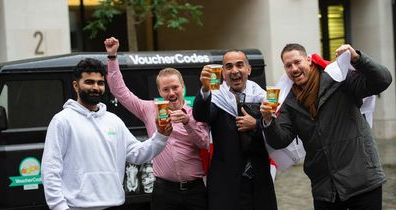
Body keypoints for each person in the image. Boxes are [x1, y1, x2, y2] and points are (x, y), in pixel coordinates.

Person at [260, 43, 392, 210]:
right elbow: (281, 140)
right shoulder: (288, 101)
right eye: (288, 65)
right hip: (325, 189)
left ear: (308, 60)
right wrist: (268, 121)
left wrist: (358, 58)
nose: (294, 68)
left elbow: (383, 80)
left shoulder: (338, 78)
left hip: (362, 180)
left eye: (297, 62)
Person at [41, 58, 172, 210]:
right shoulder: (62, 121)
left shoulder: (113, 121)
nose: (96, 87)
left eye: (100, 83)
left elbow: (137, 154)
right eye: (89, 82)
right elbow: (50, 170)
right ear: (76, 86)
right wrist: (60, 207)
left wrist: (161, 135)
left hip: (114, 205)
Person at [104, 37, 210, 210]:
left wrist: (187, 123)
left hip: (196, 189)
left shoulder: (195, 112)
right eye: (166, 89)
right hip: (164, 190)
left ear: (182, 87)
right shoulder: (149, 109)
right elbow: (120, 92)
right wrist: (112, 57)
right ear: (159, 91)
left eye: (175, 87)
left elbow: (205, 142)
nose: (171, 93)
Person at [192, 49, 278, 210]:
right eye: (229, 67)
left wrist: (256, 124)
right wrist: (205, 90)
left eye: (240, 65)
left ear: (248, 69)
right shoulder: (217, 97)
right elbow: (201, 115)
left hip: (259, 180)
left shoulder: (263, 98)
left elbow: (276, 132)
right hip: (226, 182)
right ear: (223, 73)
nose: (235, 71)